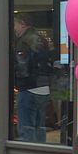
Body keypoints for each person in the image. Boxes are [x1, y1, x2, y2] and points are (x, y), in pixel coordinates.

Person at [14, 13, 51, 142]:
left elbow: (22, 66)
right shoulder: (42, 38)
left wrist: (17, 82)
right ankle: (41, 153)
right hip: (44, 87)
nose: (15, 28)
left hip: (29, 87)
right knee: (40, 126)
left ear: (22, 24)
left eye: (16, 24)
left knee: (27, 127)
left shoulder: (24, 41)